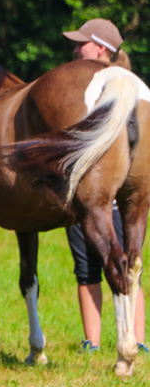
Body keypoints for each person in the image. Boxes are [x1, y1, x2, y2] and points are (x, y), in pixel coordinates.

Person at [62, 19, 147, 354]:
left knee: (95, 269)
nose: (75, 49)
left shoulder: (87, 90)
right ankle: (130, 340)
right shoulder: (140, 87)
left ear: (100, 49)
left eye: (82, 44)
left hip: (92, 195)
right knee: (126, 263)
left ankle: (98, 342)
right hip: (120, 200)